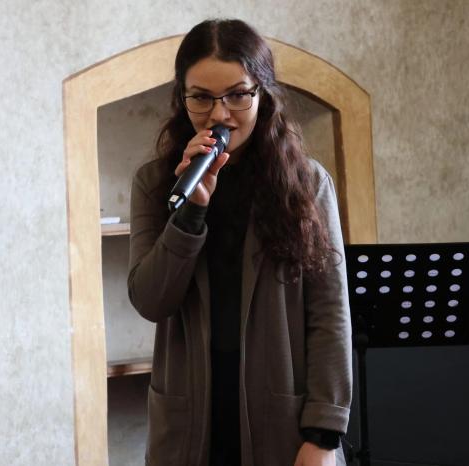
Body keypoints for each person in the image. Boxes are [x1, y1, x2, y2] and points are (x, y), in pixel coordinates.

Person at [128, 18, 352, 466]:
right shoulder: (156, 184)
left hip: (283, 421)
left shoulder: (306, 184)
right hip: (190, 420)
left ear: (262, 93)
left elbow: (330, 314)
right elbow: (151, 300)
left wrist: (324, 435)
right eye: (201, 97)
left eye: (236, 95)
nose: (219, 114)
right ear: (181, 98)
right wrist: (190, 212)